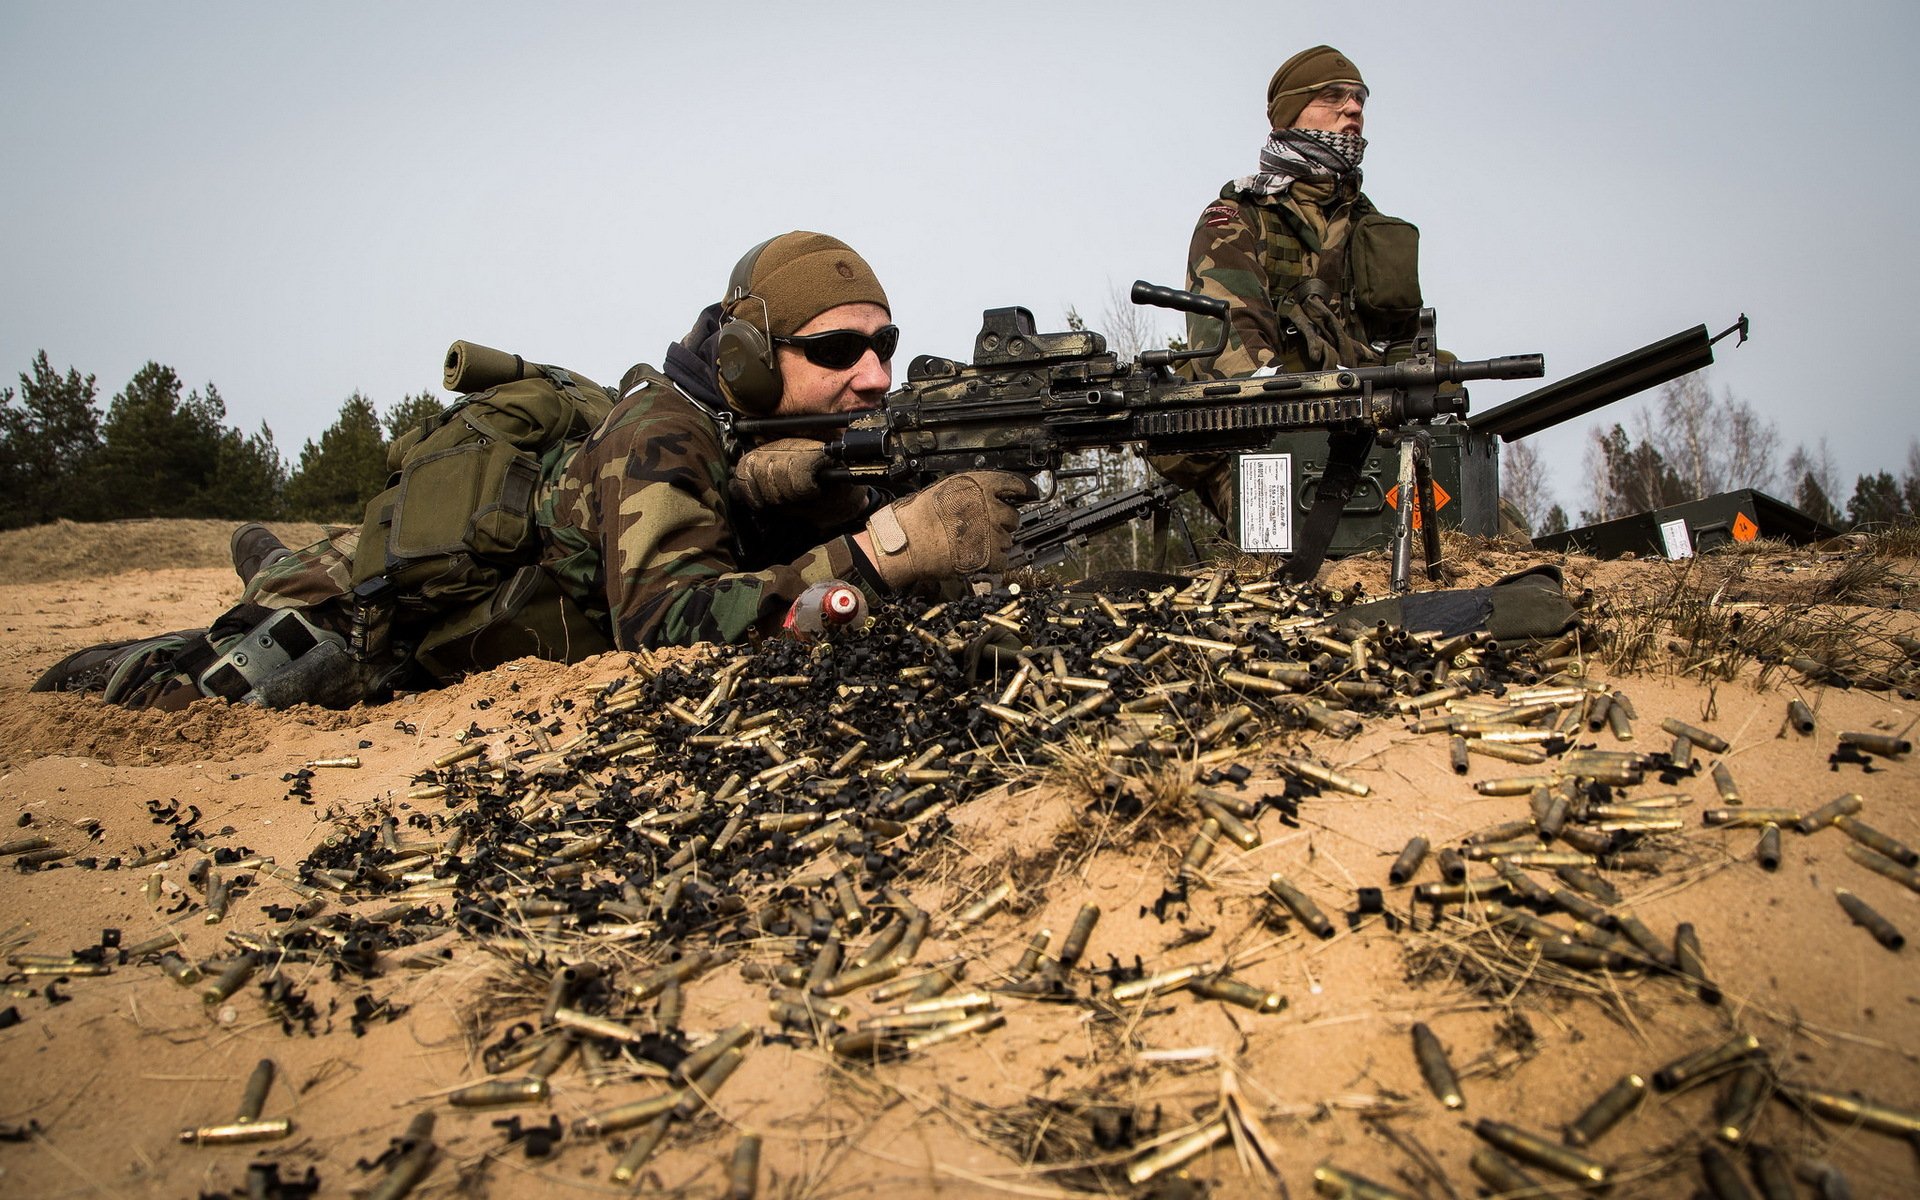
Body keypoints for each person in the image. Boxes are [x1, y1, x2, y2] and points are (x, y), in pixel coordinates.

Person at [35, 231, 1034, 707]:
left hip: (464, 642)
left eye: (886, 345)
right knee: (189, 690)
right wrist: (890, 548)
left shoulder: (797, 445)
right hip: (364, 616)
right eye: (835, 350)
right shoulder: (665, 428)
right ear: (746, 358)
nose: (874, 374)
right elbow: (662, 624)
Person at [1153, 45, 1428, 524]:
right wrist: (1322, 408)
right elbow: (1229, 356)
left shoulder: (1374, 230)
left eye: (1360, 97)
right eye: (1334, 96)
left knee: (1480, 523)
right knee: (1313, 543)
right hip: (1262, 440)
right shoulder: (1237, 219)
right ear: (1291, 113)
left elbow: (1403, 350)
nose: (1354, 108)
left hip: (1369, 433)